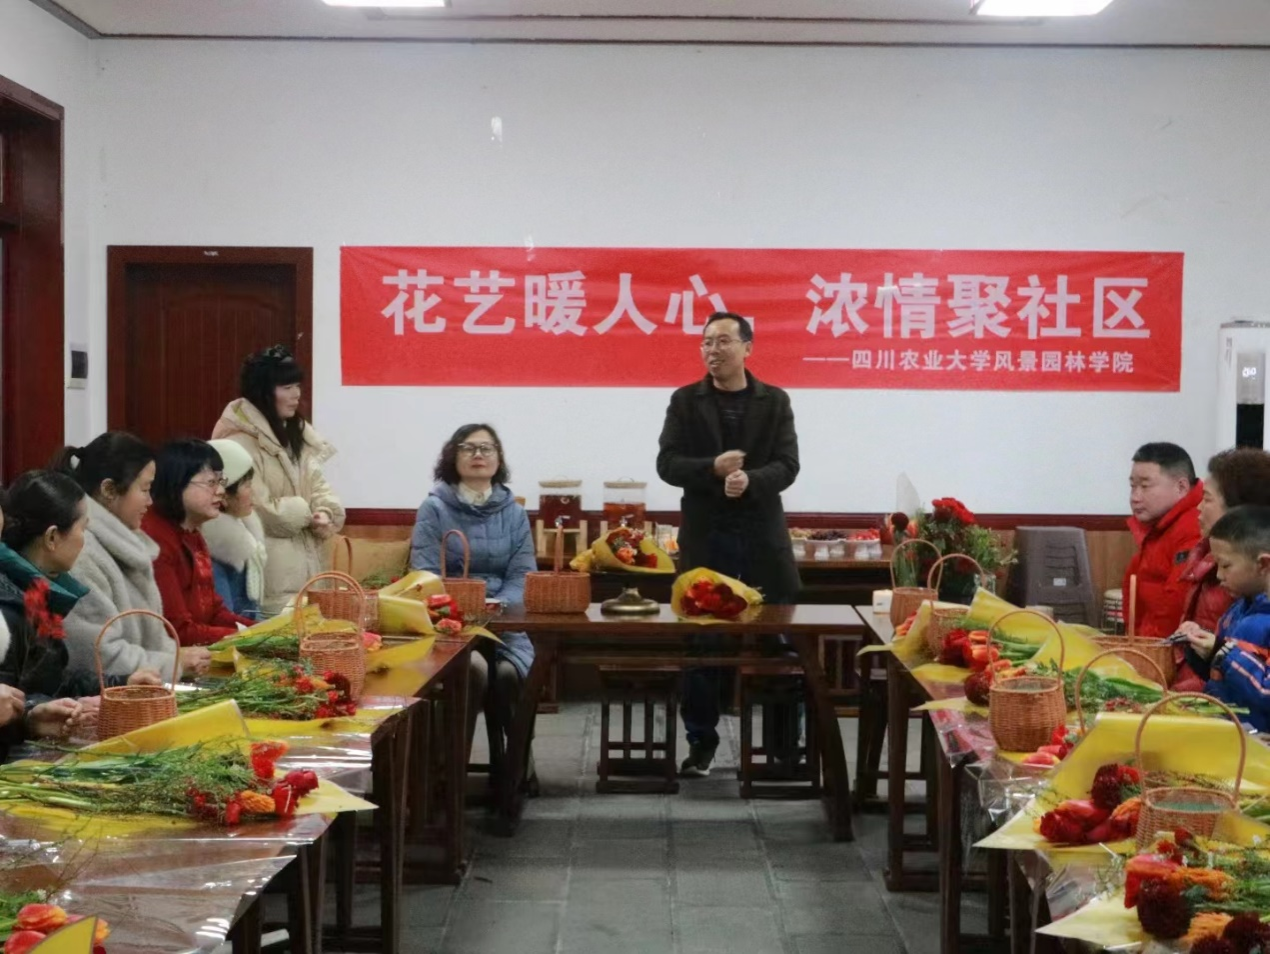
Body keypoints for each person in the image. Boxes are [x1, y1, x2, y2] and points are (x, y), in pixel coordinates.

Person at [657, 311, 801, 777]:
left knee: (779, 644)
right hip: (707, 538)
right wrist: (712, 469)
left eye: (722, 341)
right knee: (702, 644)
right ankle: (701, 744)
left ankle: (783, 749)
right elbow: (667, 464)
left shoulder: (774, 401)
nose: (712, 350)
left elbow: (788, 464)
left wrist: (751, 480)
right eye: (706, 342)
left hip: (762, 538)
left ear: (747, 347)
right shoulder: (685, 401)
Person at [0, 471, 161, 760]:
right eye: (82, 530)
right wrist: (31, 716)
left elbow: (50, 681)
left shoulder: (40, 593)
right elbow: (9, 709)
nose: (85, 541)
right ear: (52, 537)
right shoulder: (10, 610)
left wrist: (120, 683)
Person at [409, 424, 536, 770]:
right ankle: (449, 771)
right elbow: (424, 575)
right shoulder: (434, 508)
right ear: (453, 457)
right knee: (473, 670)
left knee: (511, 674)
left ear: (498, 458)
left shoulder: (514, 513)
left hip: (505, 622)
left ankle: (517, 769)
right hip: (449, 625)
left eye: (486, 448)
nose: (478, 455)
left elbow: (521, 575)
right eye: (468, 448)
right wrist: (461, 610)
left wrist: (497, 607)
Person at [57, 433, 209, 683]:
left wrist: (176, 657)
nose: (150, 501)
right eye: (145, 489)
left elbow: (154, 638)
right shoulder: (81, 553)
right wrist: (172, 664)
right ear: (109, 489)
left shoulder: (128, 543)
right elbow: (98, 655)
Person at [212, 346, 345, 616]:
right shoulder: (238, 443)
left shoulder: (296, 435)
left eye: (297, 385)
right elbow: (258, 508)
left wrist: (325, 512)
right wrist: (306, 511)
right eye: (286, 387)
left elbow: (319, 486)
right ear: (263, 391)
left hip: (308, 571)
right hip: (272, 581)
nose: (296, 394)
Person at [1173, 448, 1270, 689]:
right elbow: (1219, 670)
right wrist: (1198, 645)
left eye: (1207, 499)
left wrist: (1221, 652)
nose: (1198, 508)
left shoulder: (1244, 586)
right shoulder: (1238, 607)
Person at [143, 440, 254, 647]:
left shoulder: (192, 532)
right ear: (177, 482)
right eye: (211, 482)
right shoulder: (156, 540)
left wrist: (263, 631)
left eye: (221, 481)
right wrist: (249, 637)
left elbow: (213, 611)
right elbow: (178, 631)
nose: (220, 491)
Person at [1181, 505, 1270, 732]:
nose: (1219, 575)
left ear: (1263, 564)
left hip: (1258, 743)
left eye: (1226, 565)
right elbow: (1222, 677)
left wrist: (1225, 652)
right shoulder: (1236, 610)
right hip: (1224, 731)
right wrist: (1202, 649)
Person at [1123, 442, 1204, 640]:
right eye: (1133, 486)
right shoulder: (1158, 527)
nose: (1135, 497)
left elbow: (1176, 605)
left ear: (1181, 487)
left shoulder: (1194, 527)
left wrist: (1146, 649)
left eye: (1145, 486)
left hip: (1168, 648)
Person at [202, 439, 267, 621]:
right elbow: (226, 622)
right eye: (247, 485)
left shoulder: (243, 532)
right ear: (224, 495)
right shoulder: (217, 552)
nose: (254, 492)